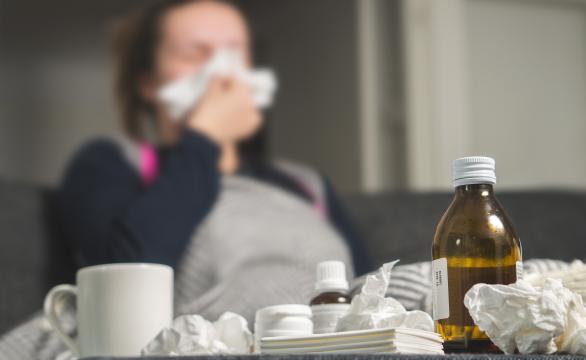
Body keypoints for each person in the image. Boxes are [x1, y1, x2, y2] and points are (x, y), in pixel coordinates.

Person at [0, 1, 372, 358]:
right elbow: (129, 277)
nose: (221, 70)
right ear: (147, 81)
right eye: (196, 53)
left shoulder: (306, 185)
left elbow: (372, 297)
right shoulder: (109, 165)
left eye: (234, 51)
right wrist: (206, 137)